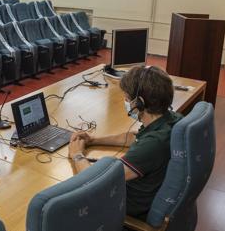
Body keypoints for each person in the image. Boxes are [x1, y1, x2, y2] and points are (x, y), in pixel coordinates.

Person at [68, 65, 182, 220]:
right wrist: (94, 140)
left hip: (127, 207)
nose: (125, 102)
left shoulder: (152, 145)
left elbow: (96, 181)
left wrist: (77, 155)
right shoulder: (171, 119)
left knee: (68, 199)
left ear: (139, 103)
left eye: (127, 98)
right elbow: (134, 137)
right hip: (150, 190)